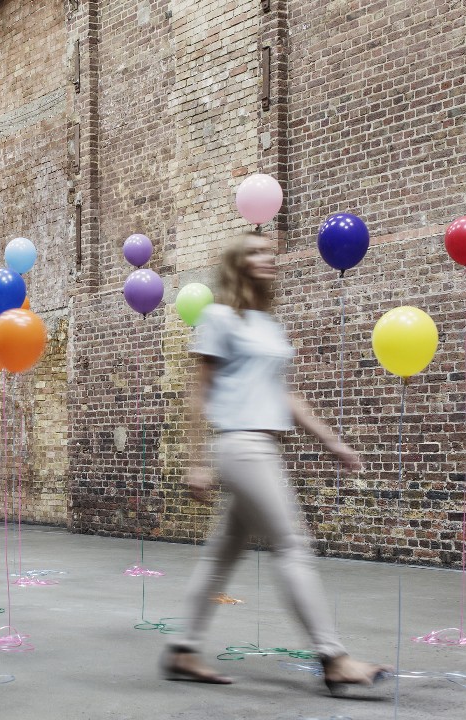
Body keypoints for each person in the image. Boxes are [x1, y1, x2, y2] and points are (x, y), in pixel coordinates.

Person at [160, 232, 391, 695]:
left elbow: (285, 396)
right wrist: (196, 461)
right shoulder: (218, 318)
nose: (268, 258)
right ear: (237, 265)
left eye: (269, 252)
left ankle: (183, 649)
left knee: (224, 552)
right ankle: (334, 658)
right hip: (241, 446)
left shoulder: (269, 325)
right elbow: (197, 393)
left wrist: (333, 442)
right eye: (255, 253)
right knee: (292, 543)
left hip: (264, 444)